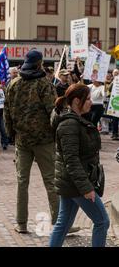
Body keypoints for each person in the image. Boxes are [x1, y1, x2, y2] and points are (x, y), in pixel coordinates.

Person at [4, 50, 59, 234]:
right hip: (44, 140)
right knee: (51, 181)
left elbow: (7, 113)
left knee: (22, 182)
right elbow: (53, 112)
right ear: (39, 63)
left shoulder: (13, 84)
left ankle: (21, 223)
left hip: (22, 140)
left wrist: (12, 134)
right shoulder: (44, 84)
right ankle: (60, 224)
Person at [49, 83, 109, 247]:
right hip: (76, 183)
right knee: (102, 221)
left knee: (63, 224)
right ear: (76, 101)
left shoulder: (76, 120)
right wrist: (86, 188)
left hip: (71, 182)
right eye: (88, 99)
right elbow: (71, 160)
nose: (91, 102)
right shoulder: (69, 124)